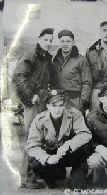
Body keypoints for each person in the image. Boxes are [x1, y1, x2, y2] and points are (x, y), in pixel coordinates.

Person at [12, 28, 54, 188]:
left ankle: (33, 174)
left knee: (39, 136)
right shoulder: (31, 55)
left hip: (41, 100)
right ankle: (27, 178)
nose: (49, 43)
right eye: (46, 40)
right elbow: (19, 77)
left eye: (51, 40)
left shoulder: (44, 57)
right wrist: (30, 97)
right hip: (33, 103)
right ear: (39, 38)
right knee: (32, 138)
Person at [26, 89, 93, 189]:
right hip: (52, 156)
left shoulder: (75, 114)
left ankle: (79, 173)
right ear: (48, 106)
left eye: (61, 105)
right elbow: (31, 146)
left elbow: (86, 134)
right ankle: (56, 172)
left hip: (70, 154)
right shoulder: (39, 119)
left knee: (78, 185)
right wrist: (47, 158)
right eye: (54, 105)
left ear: (64, 105)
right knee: (35, 161)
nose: (58, 109)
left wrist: (69, 145)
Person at [51, 29, 92, 113]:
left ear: (73, 42)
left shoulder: (81, 60)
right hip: (58, 100)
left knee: (74, 124)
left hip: (75, 100)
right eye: (62, 41)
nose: (65, 44)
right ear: (59, 42)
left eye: (68, 41)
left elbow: (87, 82)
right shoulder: (55, 60)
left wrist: (82, 101)